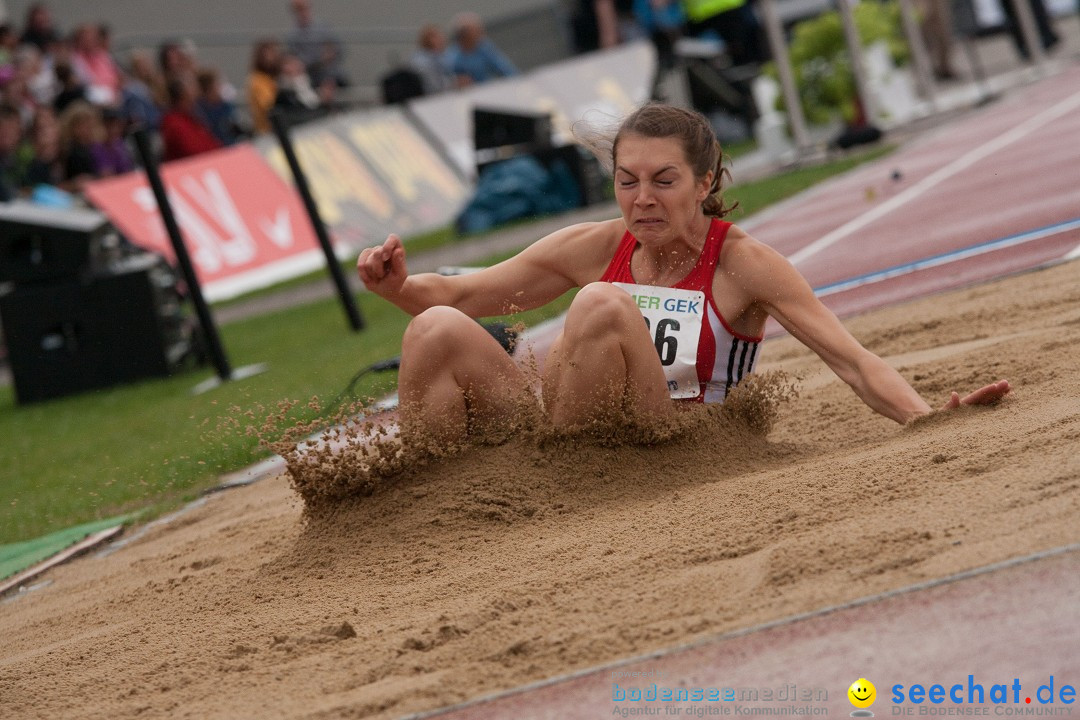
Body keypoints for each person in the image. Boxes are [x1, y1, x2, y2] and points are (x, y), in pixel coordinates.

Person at [356, 103, 1010, 442]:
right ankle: (429, 503)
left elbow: (854, 362)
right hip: (560, 446)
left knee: (602, 304)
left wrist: (927, 419)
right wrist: (398, 289)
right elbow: (466, 294)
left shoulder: (745, 264)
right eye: (627, 181)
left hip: (669, 449)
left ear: (703, 183)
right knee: (437, 328)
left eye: (663, 182)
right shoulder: (597, 244)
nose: (643, 199)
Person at [159, 75, 221, 161]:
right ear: (183, 93)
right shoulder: (173, 122)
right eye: (192, 86)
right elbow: (195, 152)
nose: (196, 89)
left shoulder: (193, 115)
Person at [286, 0, 346, 88]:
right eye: (299, 9)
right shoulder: (292, 36)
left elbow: (340, 50)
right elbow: (298, 63)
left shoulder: (324, 27)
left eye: (305, 8)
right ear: (294, 11)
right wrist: (321, 59)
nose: (303, 12)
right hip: (311, 79)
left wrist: (329, 54)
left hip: (333, 76)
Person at [445, 12, 518, 84]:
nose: (481, 34)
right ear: (463, 35)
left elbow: (503, 68)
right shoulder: (452, 57)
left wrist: (517, 81)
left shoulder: (484, 48)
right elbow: (449, 79)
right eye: (476, 31)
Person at [409, 24, 456, 95]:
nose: (443, 40)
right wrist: (455, 84)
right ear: (430, 40)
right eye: (439, 37)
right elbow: (435, 88)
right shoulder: (423, 62)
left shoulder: (439, 57)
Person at [247, 39, 280, 135]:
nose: (273, 58)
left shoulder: (273, 78)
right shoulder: (257, 80)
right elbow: (269, 106)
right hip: (266, 132)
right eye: (269, 54)